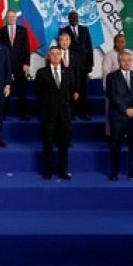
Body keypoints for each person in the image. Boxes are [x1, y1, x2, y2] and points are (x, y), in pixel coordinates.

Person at [34, 46, 77, 180]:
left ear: (61, 56)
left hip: (64, 115)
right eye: (52, 54)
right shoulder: (42, 72)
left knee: (63, 145)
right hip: (48, 115)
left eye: (57, 54)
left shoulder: (68, 72)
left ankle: (63, 170)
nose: (55, 57)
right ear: (48, 57)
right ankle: (48, 170)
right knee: (48, 144)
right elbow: (37, 92)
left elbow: (72, 91)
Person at [105, 51, 133, 181]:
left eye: (129, 60)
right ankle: (114, 172)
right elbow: (112, 95)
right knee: (115, 145)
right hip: (118, 117)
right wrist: (125, 110)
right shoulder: (112, 76)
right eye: (124, 60)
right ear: (119, 61)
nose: (127, 63)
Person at [61, 11, 93, 120]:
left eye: (76, 17)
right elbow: (62, 46)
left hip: (83, 64)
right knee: (71, 88)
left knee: (83, 89)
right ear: (68, 18)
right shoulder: (63, 30)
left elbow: (89, 46)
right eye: (72, 17)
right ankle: (72, 112)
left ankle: (85, 112)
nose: (74, 18)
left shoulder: (84, 30)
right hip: (70, 64)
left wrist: (90, 63)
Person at [0, 10, 31, 120]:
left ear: (16, 18)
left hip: (19, 65)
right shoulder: (1, 31)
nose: (11, 18)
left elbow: (26, 48)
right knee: (4, 89)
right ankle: (3, 112)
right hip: (5, 65)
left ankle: (24, 112)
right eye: (9, 17)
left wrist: (26, 63)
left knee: (21, 90)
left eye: (13, 16)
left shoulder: (22, 31)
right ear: (6, 18)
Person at [100, 33, 129, 139]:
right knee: (111, 113)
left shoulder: (129, 54)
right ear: (114, 43)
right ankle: (109, 134)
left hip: (127, 90)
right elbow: (105, 73)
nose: (121, 44)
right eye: (119, 41)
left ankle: (125, 134)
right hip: (114, 90)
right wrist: (107, 89)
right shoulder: (109, 55)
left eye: (123, 41)